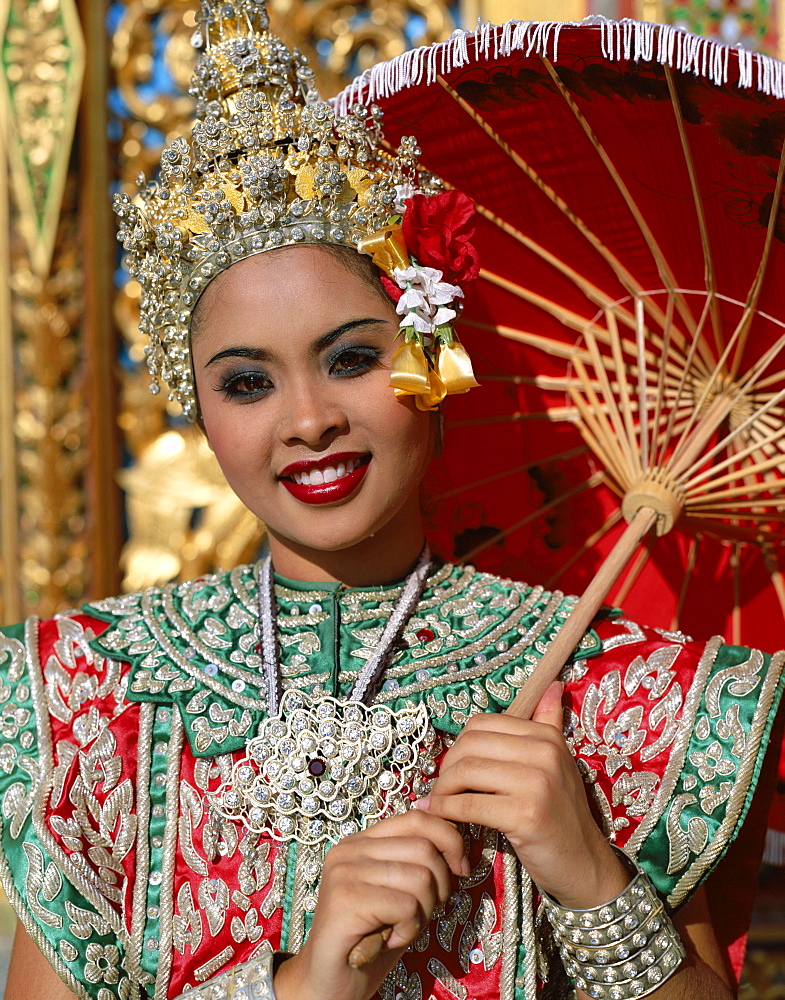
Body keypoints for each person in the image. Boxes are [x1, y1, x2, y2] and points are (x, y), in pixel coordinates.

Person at [1, 3, 783, 999]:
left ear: (431, 364)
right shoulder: (91, 697)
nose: (307, 418)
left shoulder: (605, 692)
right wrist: (306, 984)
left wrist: (587, 877)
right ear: (199, 412)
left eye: (351, 358)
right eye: (247, 382)